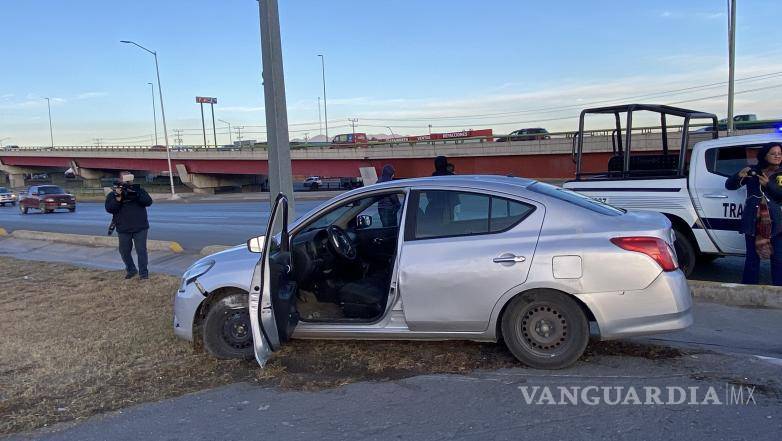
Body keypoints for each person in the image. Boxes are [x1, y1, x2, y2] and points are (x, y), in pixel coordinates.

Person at [725, 143, 782, 285]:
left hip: (778, 223)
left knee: (779, 260)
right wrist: (739, 175)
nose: (777, 156)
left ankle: (779, 292)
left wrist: (769, 185)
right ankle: (749, 291)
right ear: (764, 155)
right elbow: (730, 185)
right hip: (754, 222)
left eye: (779, 153)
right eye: (773, 153)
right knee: (752, 259)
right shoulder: (753, 171)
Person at [105, 176, 154, 279]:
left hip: (140, 227)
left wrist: (136, 194)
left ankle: (143, 274)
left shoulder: (139, 190)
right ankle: (131, 270)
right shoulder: (113, 194)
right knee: (124, 251)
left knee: (141, 251)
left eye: (128, 180)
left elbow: (148, 202)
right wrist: (117, 198)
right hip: (123, 228)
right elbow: (109, 208)